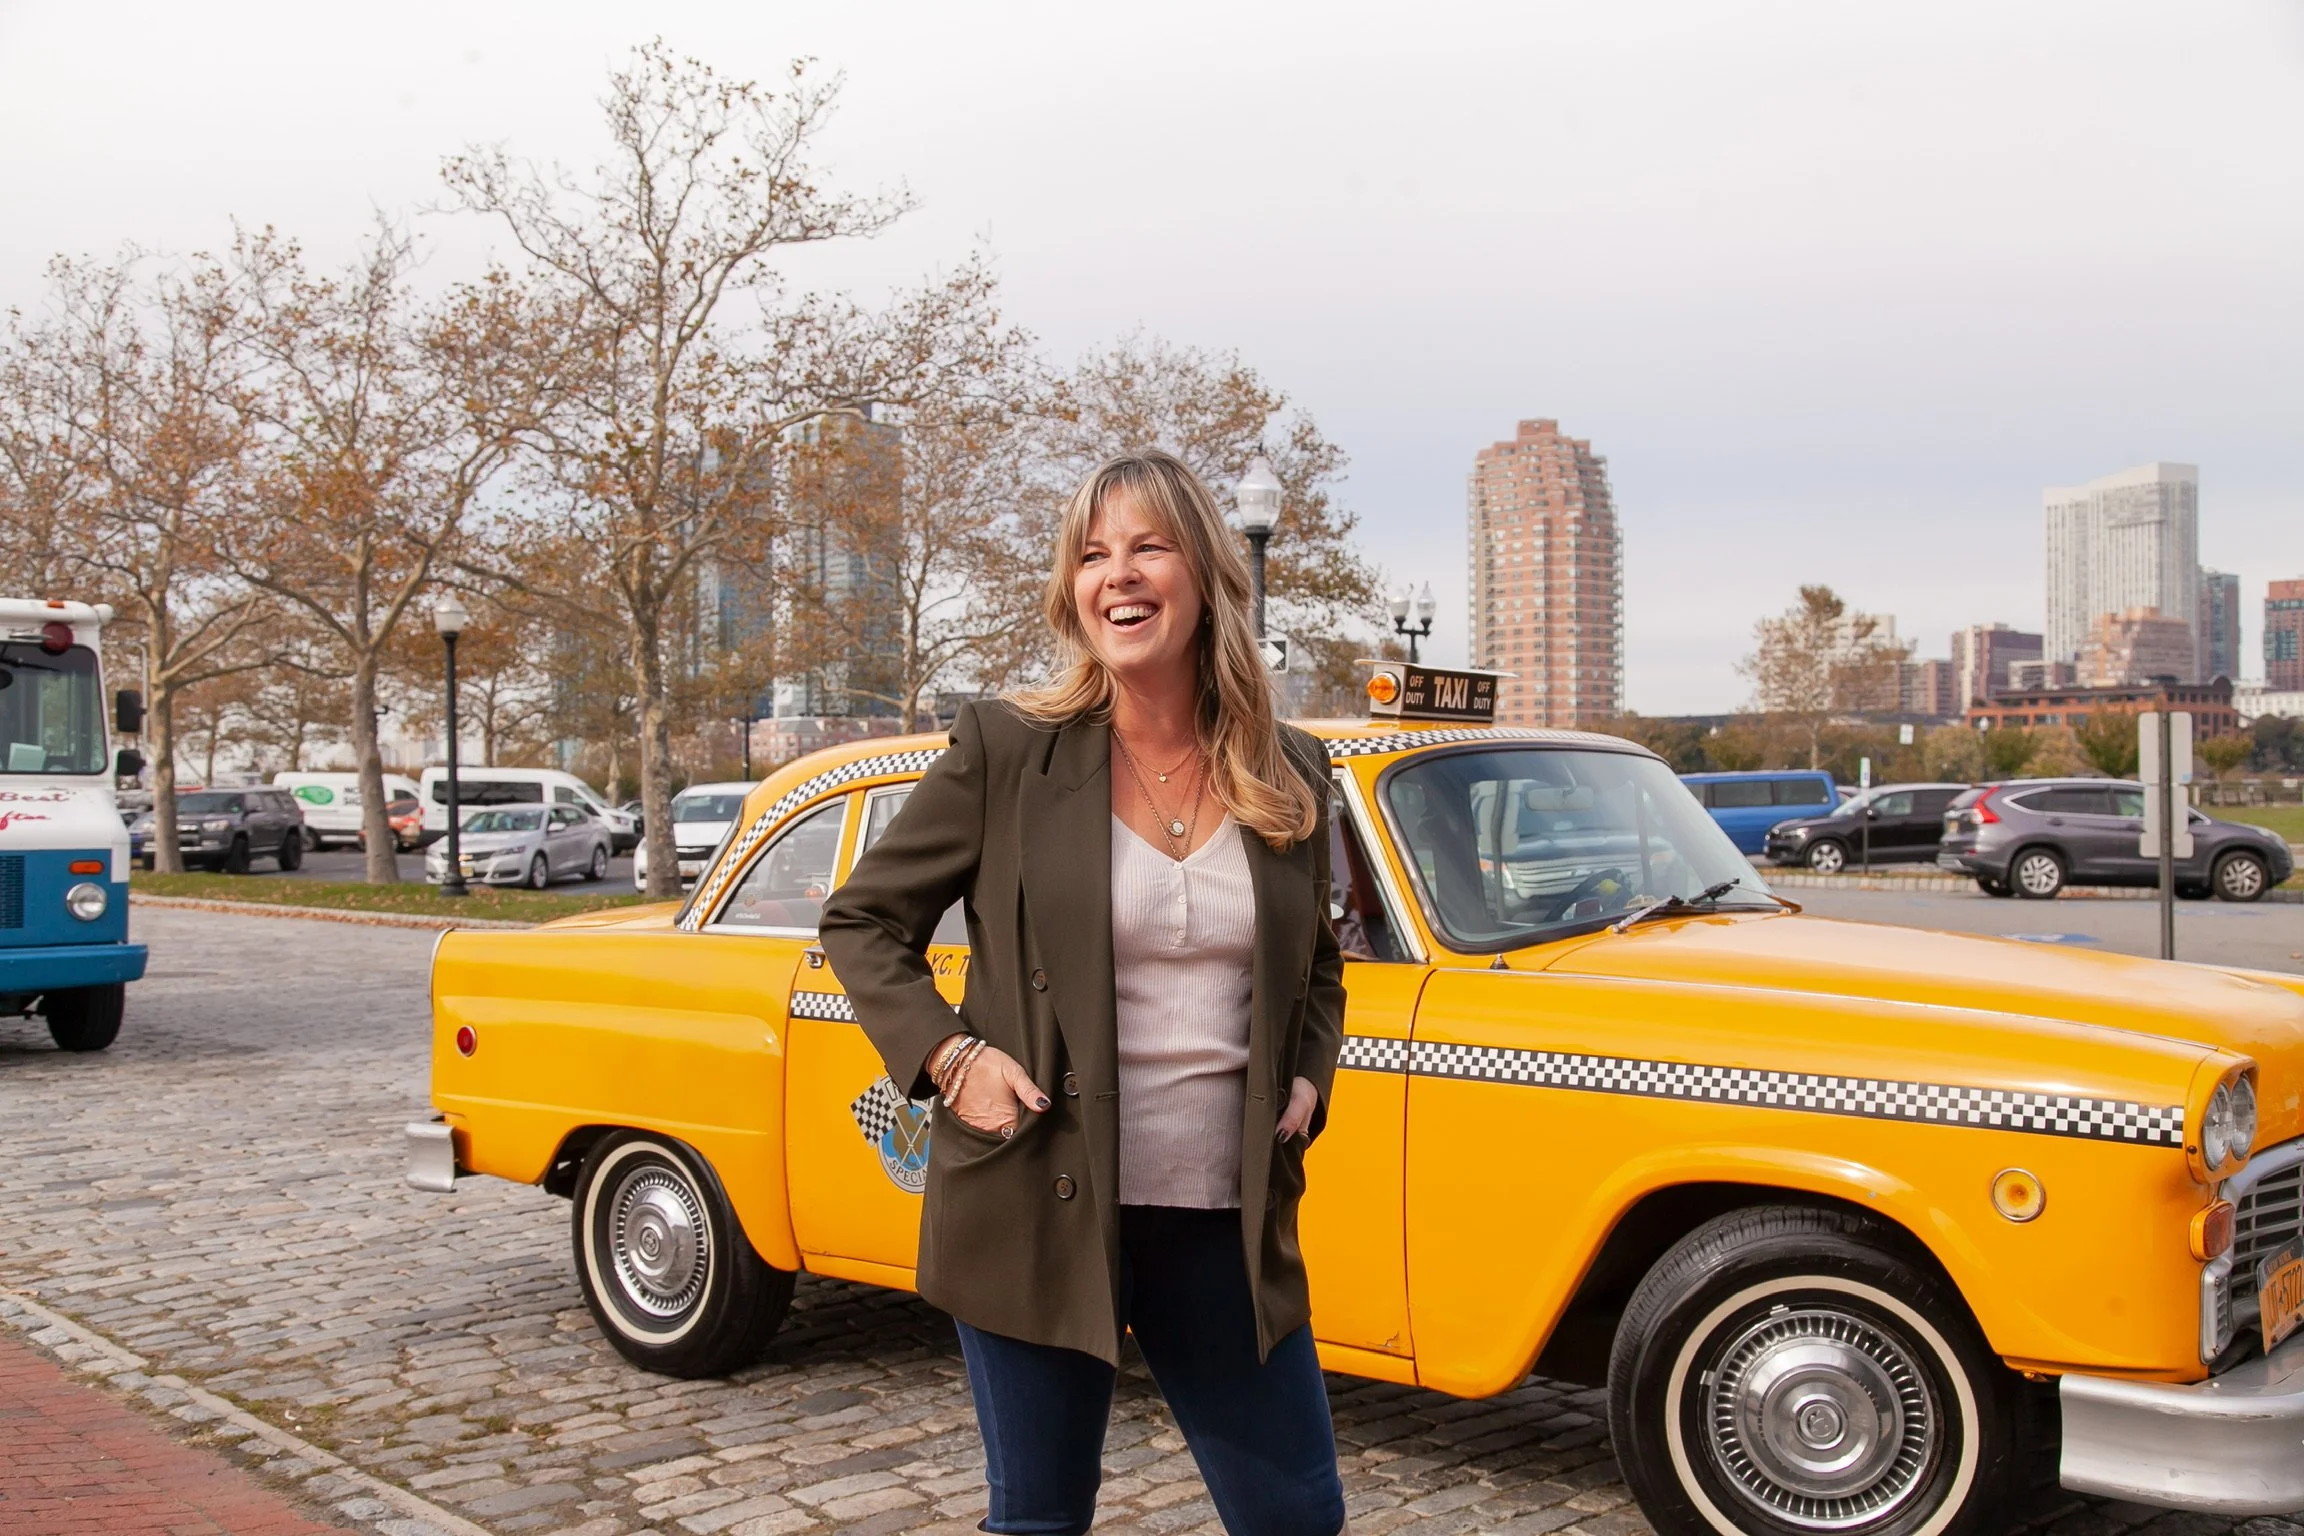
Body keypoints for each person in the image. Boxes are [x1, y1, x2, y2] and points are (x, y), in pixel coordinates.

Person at [819, 449, 1348, 1536]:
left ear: (1205, 571)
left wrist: (1306, 1076)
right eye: (1094, 555)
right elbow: (861, 923)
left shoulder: (1290, 766)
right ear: (1072, 591)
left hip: (1224, 1218)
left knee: (1297, 1518)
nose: (1120, 574)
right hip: (1035, 1199)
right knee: (1041, 1521)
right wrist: (951, 1060)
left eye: (1149, 546)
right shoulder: (1006, 750)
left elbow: (1322, 961)